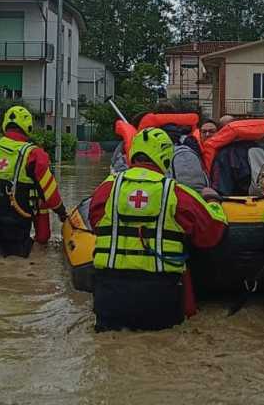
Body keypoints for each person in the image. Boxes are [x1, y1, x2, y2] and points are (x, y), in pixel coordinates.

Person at [88, 127, 228, 331]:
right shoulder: (177, 193)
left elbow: (96, 223)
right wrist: (213, 202)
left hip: (110, 296)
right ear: (165, 156)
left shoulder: (106, 189)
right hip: (159, 296)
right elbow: (212, 234)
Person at [0, 106, 68, 258]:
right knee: (16, 260)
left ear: (5, 124)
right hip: (16, 223)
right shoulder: (34, 154)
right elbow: (50, 193)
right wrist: (62, 214)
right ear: (28, 127)